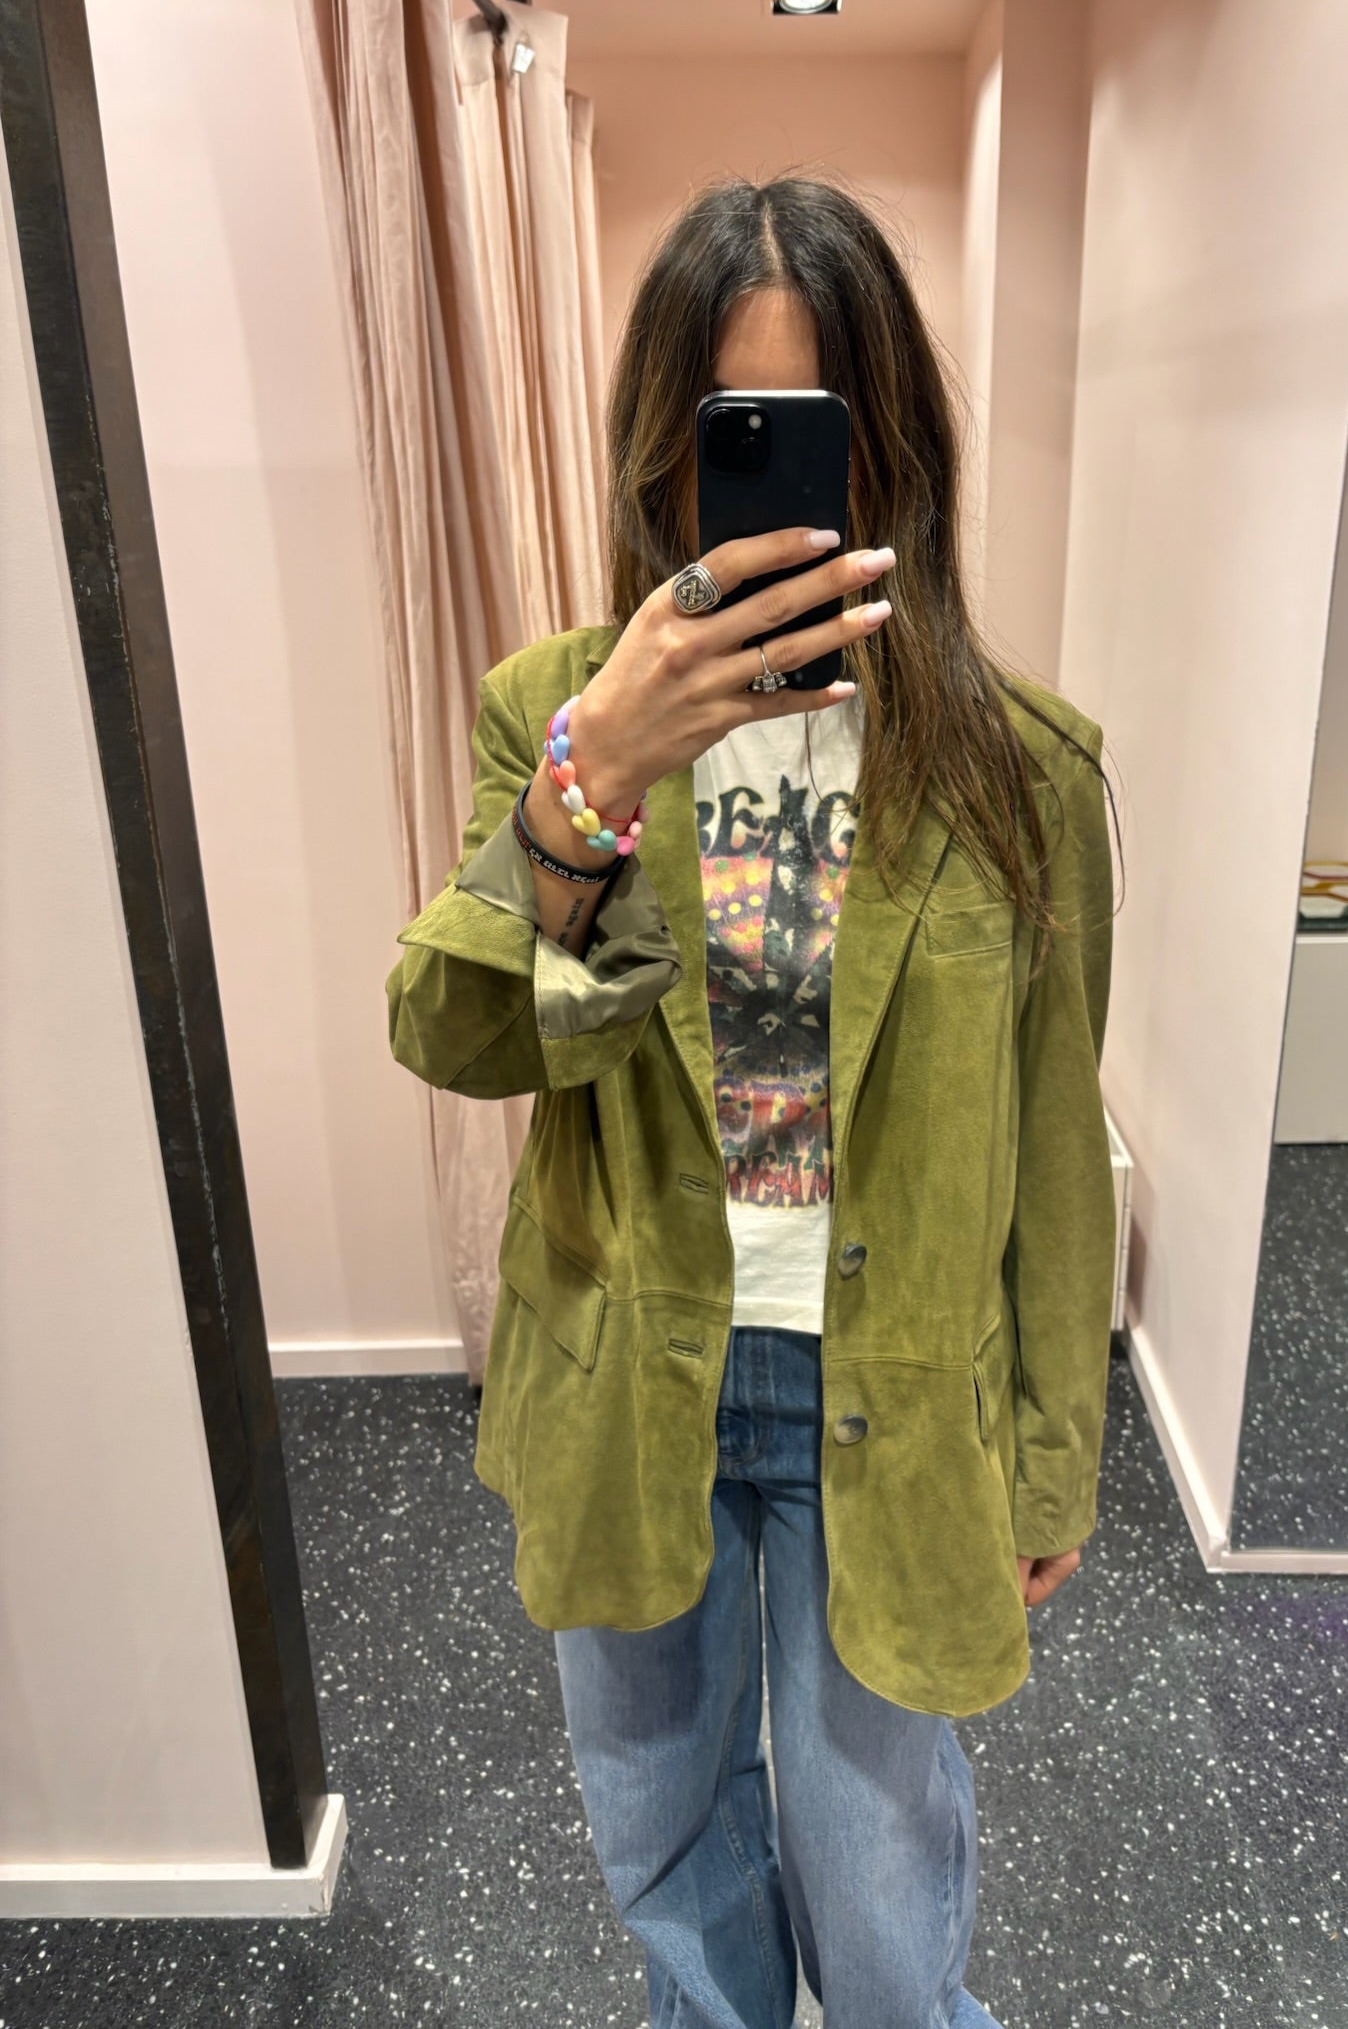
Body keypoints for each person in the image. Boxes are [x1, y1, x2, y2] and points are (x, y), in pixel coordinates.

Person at [386, 174, 1121, 2029]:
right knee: (667, 1847)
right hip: (633, 1374)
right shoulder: (558, 718)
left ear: (896, 455)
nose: (788, 501)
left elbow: (1055, 1136)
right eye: (740, 435)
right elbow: (457, 1035)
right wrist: (590, 788)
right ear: (668, 449)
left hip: (898, 1383)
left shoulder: (1018, 770)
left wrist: (1055, 1448)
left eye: (823, 434)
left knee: (876, 1880)